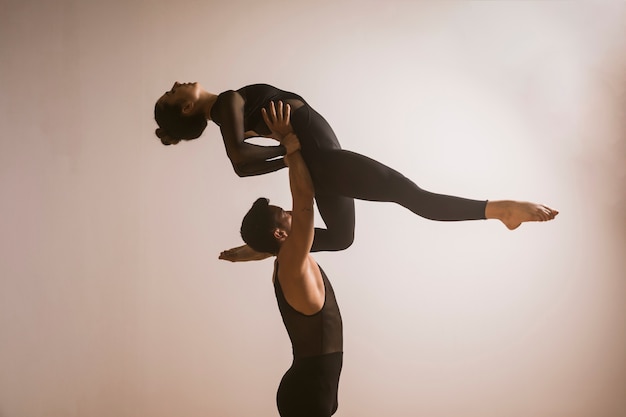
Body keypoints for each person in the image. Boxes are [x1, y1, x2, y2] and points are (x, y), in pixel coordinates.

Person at [154, 82, 558, 260]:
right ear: (186, 108)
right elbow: (241, 163)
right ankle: (502, 209)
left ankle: (274, 247)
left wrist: (291, 150)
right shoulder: (226, 104)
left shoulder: (230, 111)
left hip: (319, 161)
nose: (177, 83)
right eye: (174, 93)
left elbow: (242, 158)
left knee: (344, 238)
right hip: (322, 160)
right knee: (410, 195)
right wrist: (292, 148)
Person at [237, 102, 343, 416]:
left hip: (311, 390)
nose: (291, 211)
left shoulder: (286, 262)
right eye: (283, 214)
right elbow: (305, 199)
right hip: (309, 393)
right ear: (281, 235)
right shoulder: (291, 263)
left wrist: (247, 251)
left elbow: (273, 245)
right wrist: (291, 144)